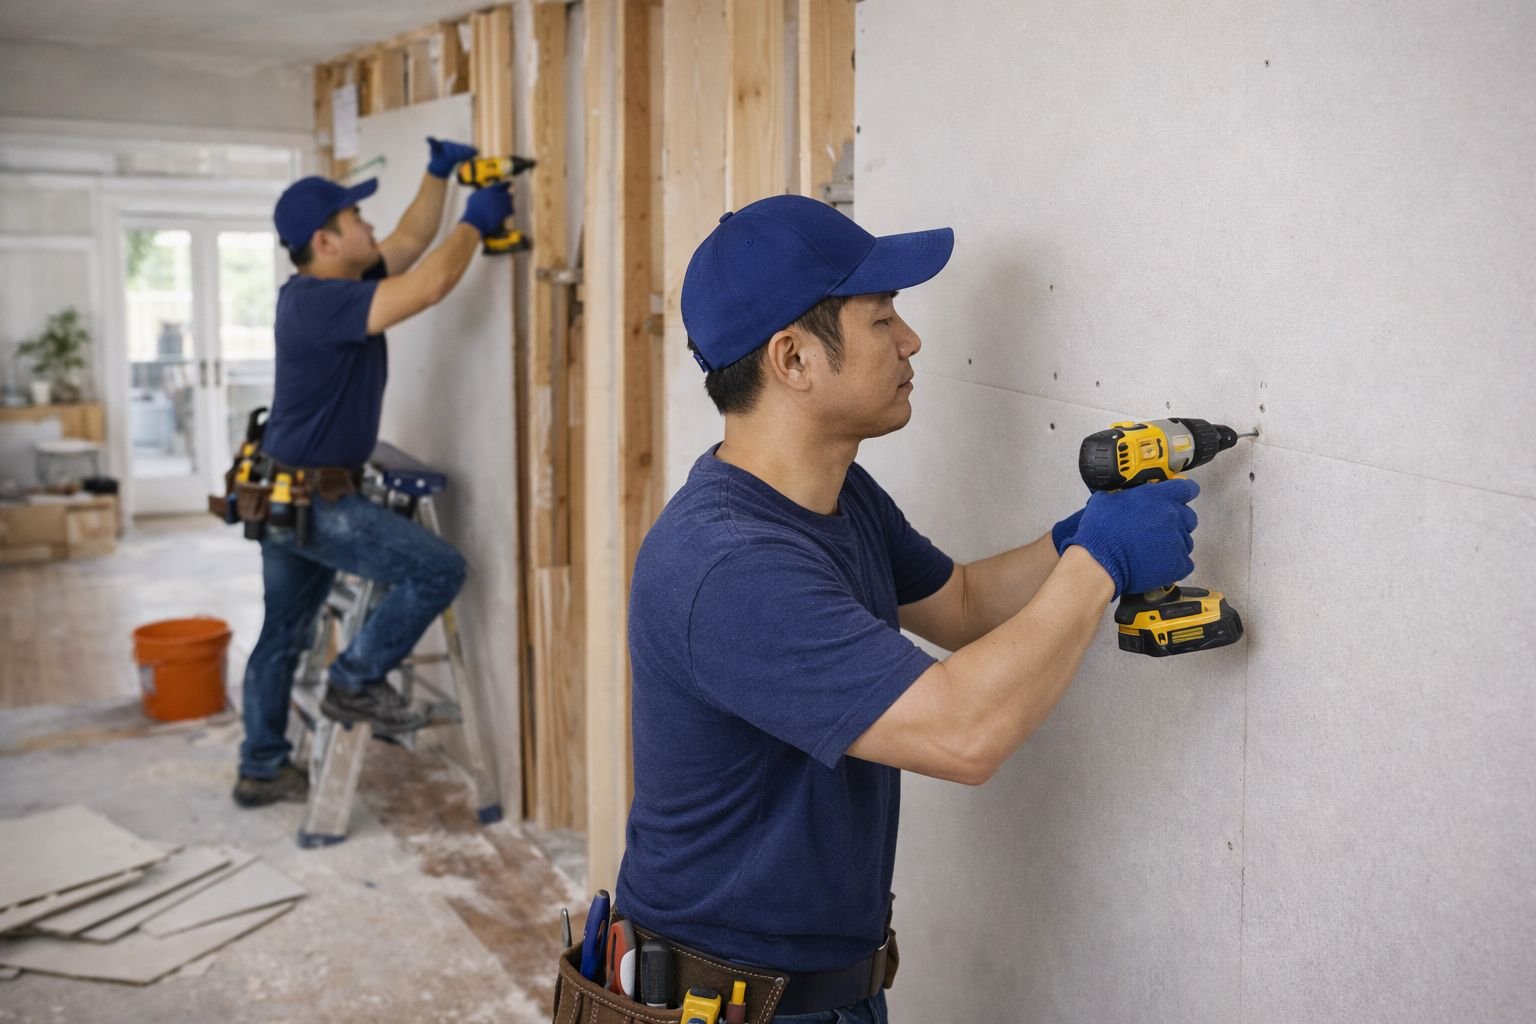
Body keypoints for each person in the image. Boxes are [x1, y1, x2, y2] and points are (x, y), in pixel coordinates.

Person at [613, 195, 1201, 1021]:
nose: (911, 340)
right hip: (728, 1007)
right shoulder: (729, 567)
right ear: (792, 359)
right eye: (882, 317)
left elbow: (959, 603)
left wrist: (1075, 538)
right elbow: (962, 733)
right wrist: (1102, 563)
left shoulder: (836, 493)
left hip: (825, 992)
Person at [232, 138, 514, 808]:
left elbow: (415, 242)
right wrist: (475, 221)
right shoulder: (317, 303)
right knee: (439, 569)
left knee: (281, 637)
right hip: (317, 501)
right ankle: (355, 678)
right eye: (355, 221)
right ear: (326, 243)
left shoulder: (338, 284)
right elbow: (431, 284)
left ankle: (261, 767)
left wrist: (439, 174)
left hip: (287, 496)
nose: (370, 227)